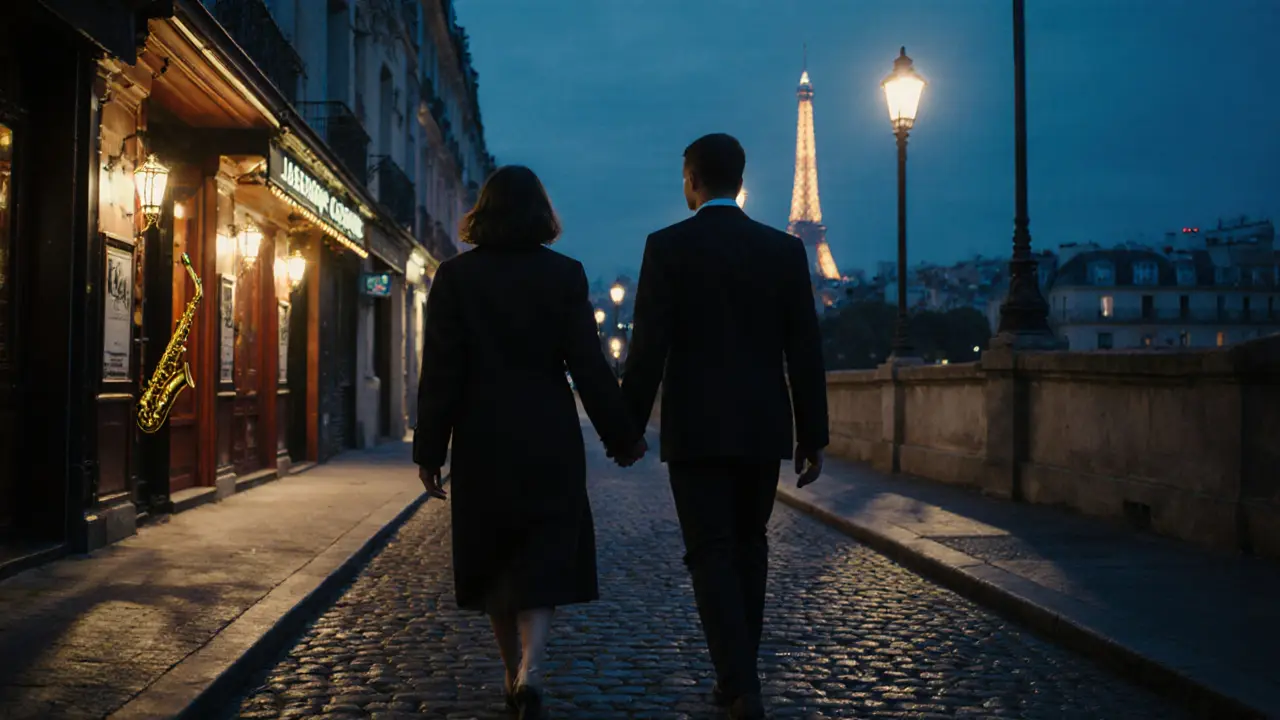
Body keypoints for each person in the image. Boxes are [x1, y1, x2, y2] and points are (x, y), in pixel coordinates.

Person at [414, 165, 648, 719]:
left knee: (494, 556)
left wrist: (429, 450)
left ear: (482, 213)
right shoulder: (565, 276)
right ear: (542, 215)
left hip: (481, 436)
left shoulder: (454, 278)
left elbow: (441, 372)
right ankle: (532, 667)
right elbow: (588, 368)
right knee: (542, 552)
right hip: (547, 432)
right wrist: (622, 436)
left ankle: (507, 671)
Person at [619, 133, 829, 720]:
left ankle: (738, 683)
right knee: (750, 547)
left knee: (709, 552)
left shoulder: (666, 248)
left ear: (691, 180)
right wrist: (812, 434)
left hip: (694, 428)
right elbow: (804, 351)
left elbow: (648, 352)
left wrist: (627, 429)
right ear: (740, 181)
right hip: (763, 425)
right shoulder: (783, 252)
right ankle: (742, 677)